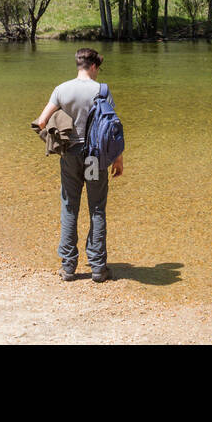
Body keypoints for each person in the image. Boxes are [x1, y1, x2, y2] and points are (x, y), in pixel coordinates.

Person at [33, 47, 123, 282]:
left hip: (71, 155)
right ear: (93, 66)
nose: (97, 72)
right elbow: (113, 129)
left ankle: (69, 266)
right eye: (98, 68)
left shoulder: (62, 90)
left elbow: (41, 122)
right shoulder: (101, 90)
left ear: (78, 65)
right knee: (96, 208)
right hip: (95, 157)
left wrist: (56, 144)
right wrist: (118, 160)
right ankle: (97, 268)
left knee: (70, 207)